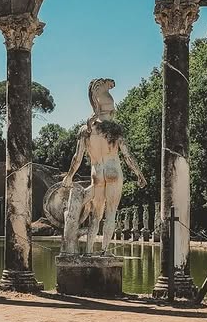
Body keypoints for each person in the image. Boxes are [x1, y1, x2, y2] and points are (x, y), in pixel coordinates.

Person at [62, 78, 146, 254]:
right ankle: (106, 251)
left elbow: (77, 158)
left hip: (97, 174)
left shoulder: (85, 130)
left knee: (95, 217)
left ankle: (90, 251)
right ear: (112, 108)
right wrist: (139, 174)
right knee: (111, 214)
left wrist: (69, 176)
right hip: (113, 171)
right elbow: (127, 155)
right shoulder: (114, 129)